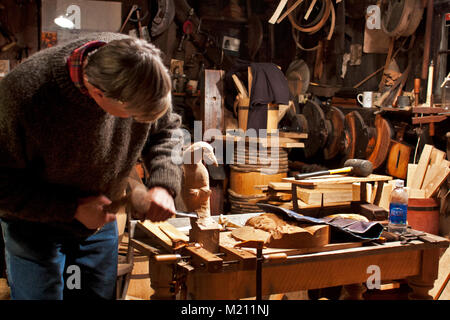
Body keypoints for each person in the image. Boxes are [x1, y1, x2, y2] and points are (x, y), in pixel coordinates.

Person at [0, 32, 183, 299]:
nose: (138, 122)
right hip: (33, 225)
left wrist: (164, 183)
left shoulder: (140, 71)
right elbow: (3, 185)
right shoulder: (23, 95)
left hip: (100, 220)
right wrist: (71, 209)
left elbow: (168, 132)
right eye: (133, 117)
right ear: (97, 94)